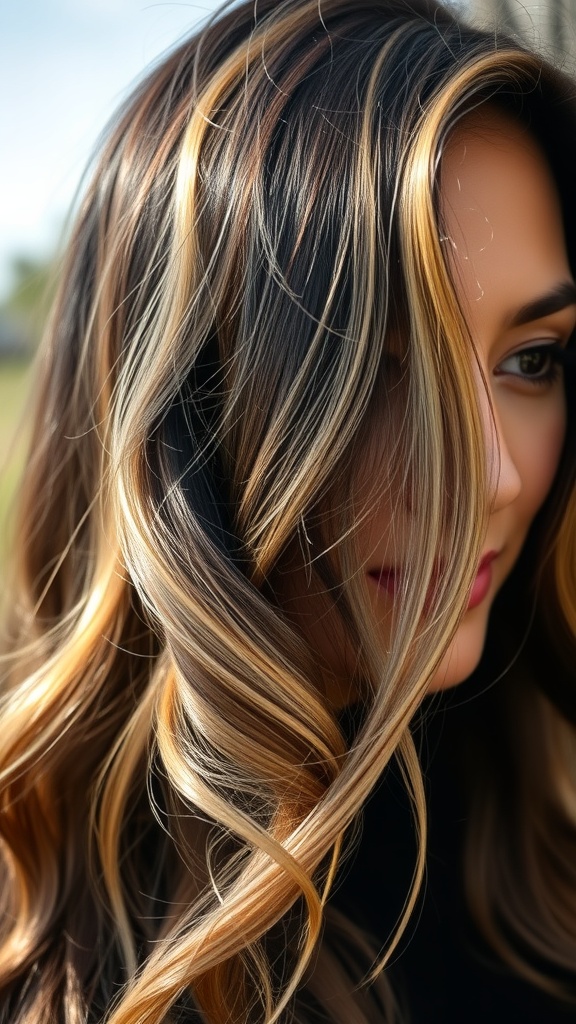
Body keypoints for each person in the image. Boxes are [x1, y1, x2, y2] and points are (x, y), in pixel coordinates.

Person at [1, 0, 576, 1021]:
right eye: (381, 374)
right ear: (183, 406)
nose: (494, 475)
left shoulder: (542, 854)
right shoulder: (32, 921)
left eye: (532, 360)